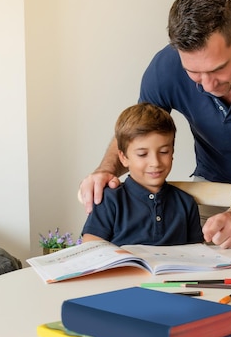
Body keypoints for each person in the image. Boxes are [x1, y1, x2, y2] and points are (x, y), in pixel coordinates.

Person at [79, 0, 231, 248]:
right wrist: (105, 171)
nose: (208, 85)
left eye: (218, 69)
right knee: (202, 265)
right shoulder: (165, 69)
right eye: (194, 73)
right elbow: (137, 134)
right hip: (212, 180)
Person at [81, 103, 203, 246]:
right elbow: (90, 245)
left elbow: (196, 251)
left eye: (164, 152)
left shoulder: (186, 203)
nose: (155, 162)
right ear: (123, 158)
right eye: (142, 154)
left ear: (172, 152)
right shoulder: (110, 200)